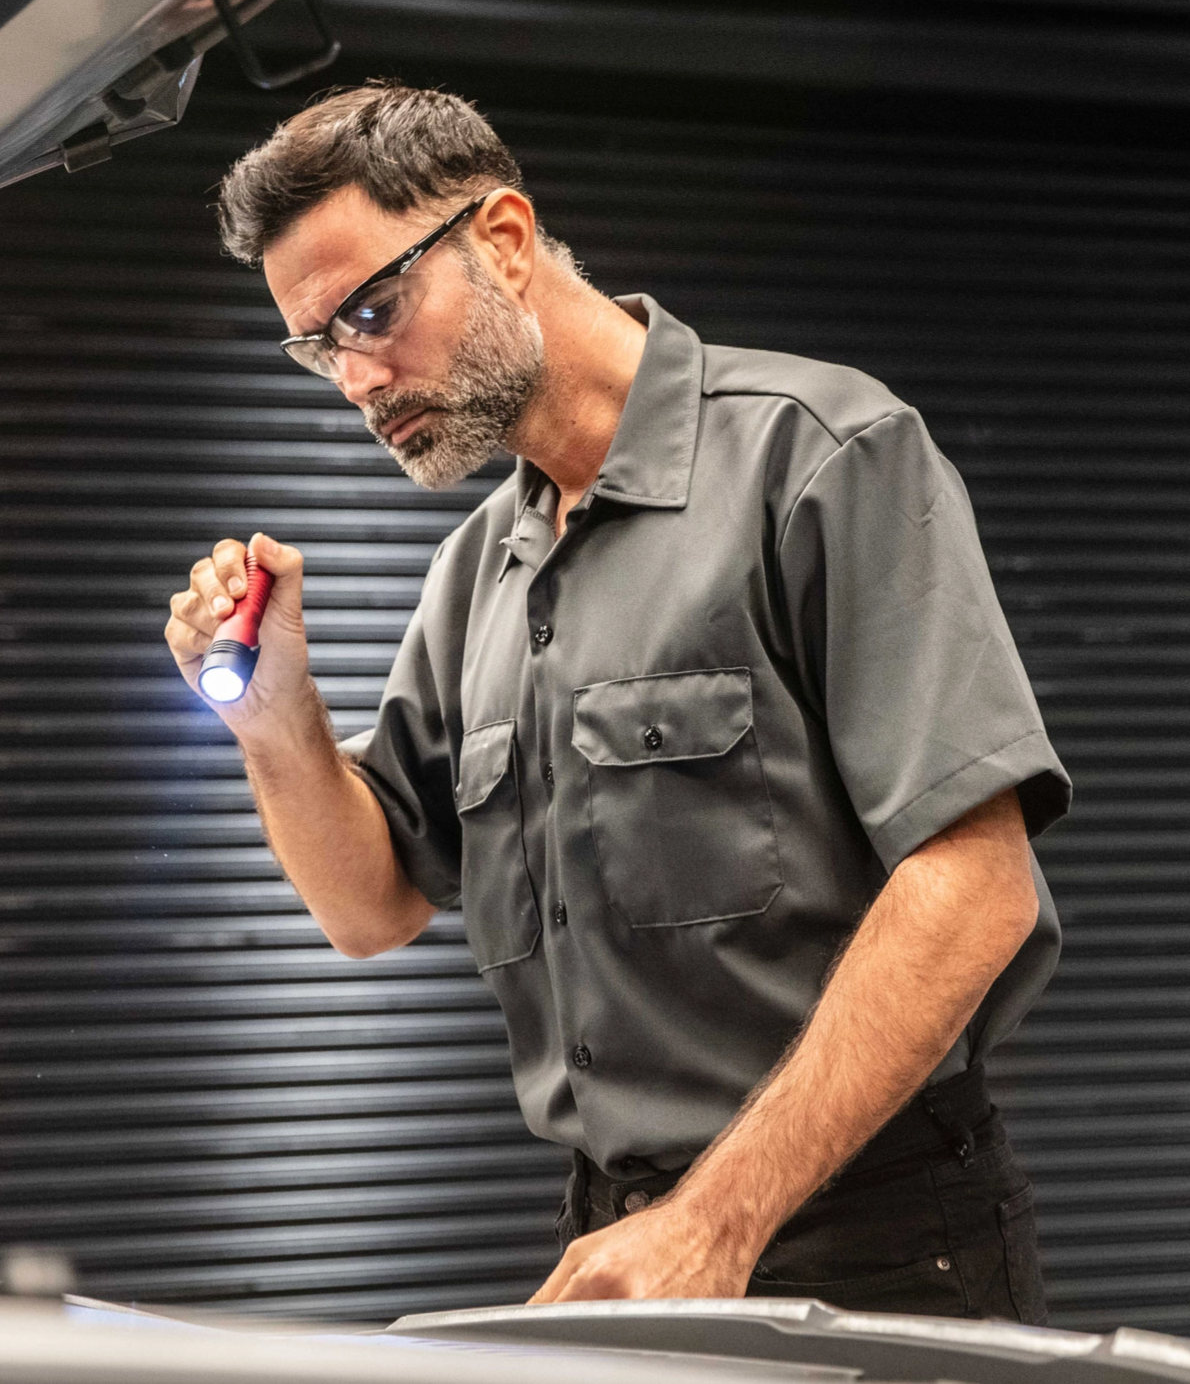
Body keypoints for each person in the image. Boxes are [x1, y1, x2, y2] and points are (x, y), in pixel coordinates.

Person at [165, 81, 1071, 1321]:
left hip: (867, 1245)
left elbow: (974, 888)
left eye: (372, 311)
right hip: (620, 1244)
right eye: (319, 345)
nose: (357, 379)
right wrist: (273, 719)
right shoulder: (478, 572)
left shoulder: (820, 456)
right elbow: (367, 906)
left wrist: (718, 1219)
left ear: (501, 238)